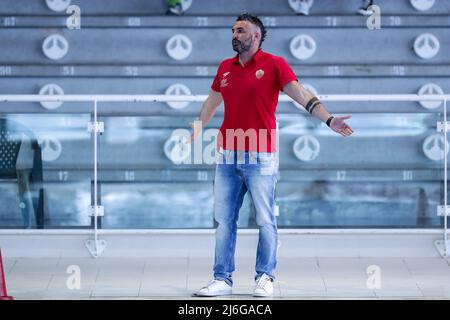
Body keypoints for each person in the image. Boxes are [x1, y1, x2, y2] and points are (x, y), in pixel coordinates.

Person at [190, 13, 354, 297]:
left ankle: (265, 277)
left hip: (261, 155)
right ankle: (222, 279)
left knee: (265, 220)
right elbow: (211, 101)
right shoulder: (225, 68)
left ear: (255, 36)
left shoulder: (274, 64)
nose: (234, 34)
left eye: (240, 30)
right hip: (228, 154)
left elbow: (303, 96)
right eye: (232, 30)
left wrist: (329, 120)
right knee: (224, 220)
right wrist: (196, 129)